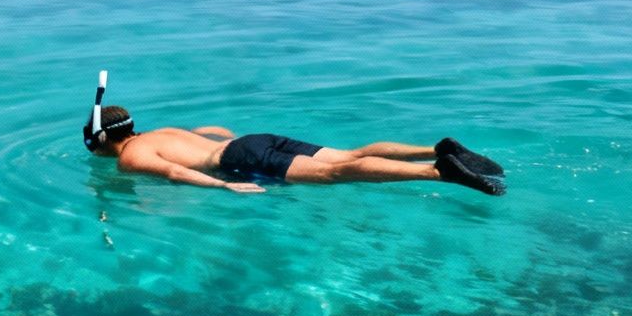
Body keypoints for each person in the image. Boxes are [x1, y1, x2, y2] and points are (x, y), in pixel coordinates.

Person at [83, 104, 505, 195]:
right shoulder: (163, 131)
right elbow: (213, 130)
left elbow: (175, 174)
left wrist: (225, 188)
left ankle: (437, 171)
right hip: (252, 140)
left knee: (335, 174)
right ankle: (433, 149)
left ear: (102, 138)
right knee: (348, 154)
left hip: (239, 159)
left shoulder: (130, 157)